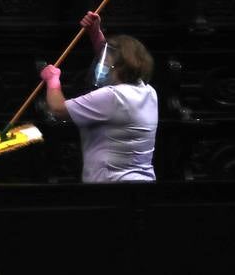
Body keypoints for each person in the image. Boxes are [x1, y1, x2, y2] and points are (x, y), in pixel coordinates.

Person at [39, 11, 157, 182]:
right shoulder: (148, 92)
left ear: (119, 67)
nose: (102, 67)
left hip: (110, 186)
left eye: (107, 64)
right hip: (143, 183)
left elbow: (58, 109)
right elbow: (110, 58)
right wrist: (95, 32)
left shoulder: (112, 97)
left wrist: (52, 80)